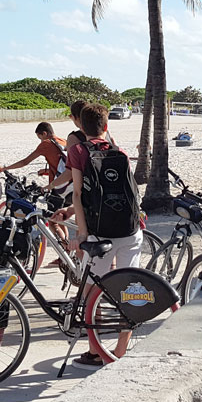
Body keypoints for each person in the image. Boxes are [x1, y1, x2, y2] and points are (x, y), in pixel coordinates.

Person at [66, 101, 143, 366]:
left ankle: (96, 350)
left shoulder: (78, 151)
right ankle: (120, 351)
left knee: (91, 291)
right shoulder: (119, 151)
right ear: (106, 126)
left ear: (80, 125)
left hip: (101, 234)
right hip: (130, 231)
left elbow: (77, 194)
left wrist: (83, 233)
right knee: (129, 290)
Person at [0, 122, 68, 184]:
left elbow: (25, 162)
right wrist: (46, 171)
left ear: (44, 133)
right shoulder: (64, 141)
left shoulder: (46, 144)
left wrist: (5, 168)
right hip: (67, 179)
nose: (41, 141)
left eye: (40, 138)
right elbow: (62, 165)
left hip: (57, 184)